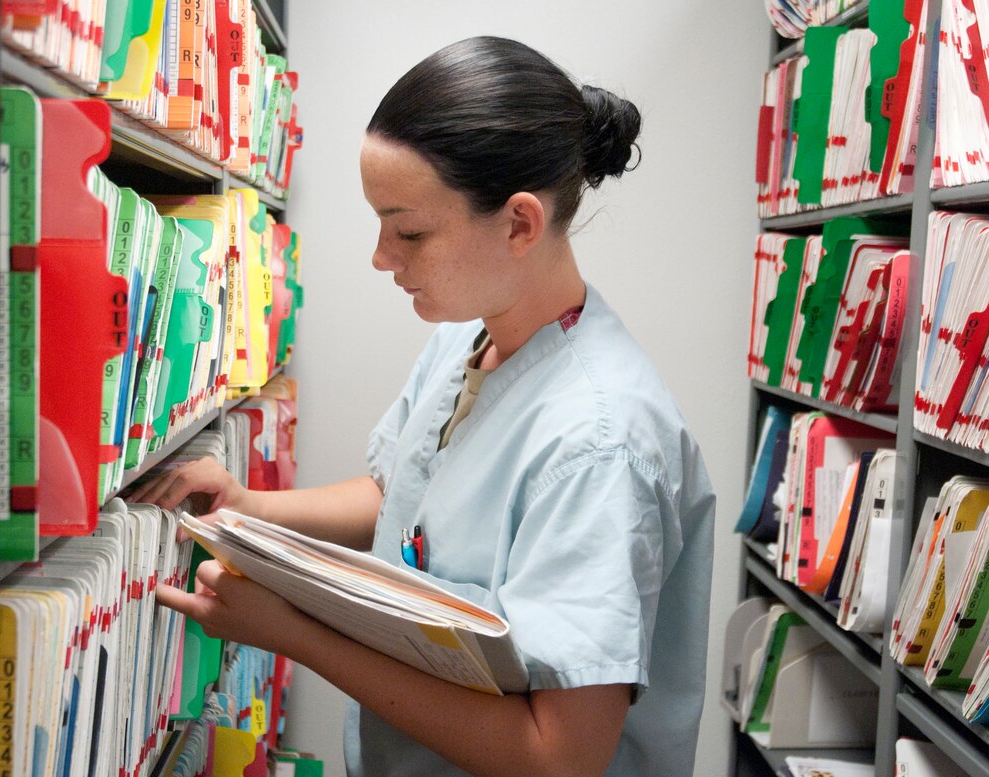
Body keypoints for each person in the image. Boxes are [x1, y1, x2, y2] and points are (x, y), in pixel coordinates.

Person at [134, 35, 715, 777]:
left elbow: (559, 756)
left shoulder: (600, 445)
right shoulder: (471, 336)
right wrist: (249, 510)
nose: (381, 256)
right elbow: (401, 496)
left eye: (408, 230)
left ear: (519, 224)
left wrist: (292, 632)